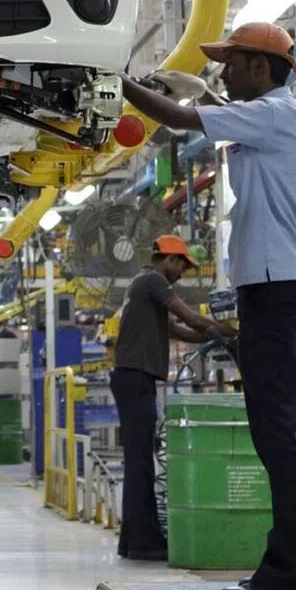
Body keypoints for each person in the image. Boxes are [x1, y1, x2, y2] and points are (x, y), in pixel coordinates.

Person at [120, 21, 296, 590]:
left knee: (274, 433)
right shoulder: (274, 118)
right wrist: (199, 91)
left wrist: (120, 82)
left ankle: (291, 573)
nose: (222, 74)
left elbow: (183, 121)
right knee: (292, 435)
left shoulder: (275, 115)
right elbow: (209, 112)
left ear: (260, 69)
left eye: (230, 64)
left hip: (276, 292)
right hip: (284, 290)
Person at [111, 235, 225, 561]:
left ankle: (133, 541)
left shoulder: (145, 291)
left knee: (140, 462)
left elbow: (186, 332)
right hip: (135, 379)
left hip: (136, 380)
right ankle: (144, 542)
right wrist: (227, 329)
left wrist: (220, 334)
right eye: (183, 267)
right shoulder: (154, 280)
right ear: (171, 260)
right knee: (139, 464)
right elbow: (192, 319)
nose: (182, 274)